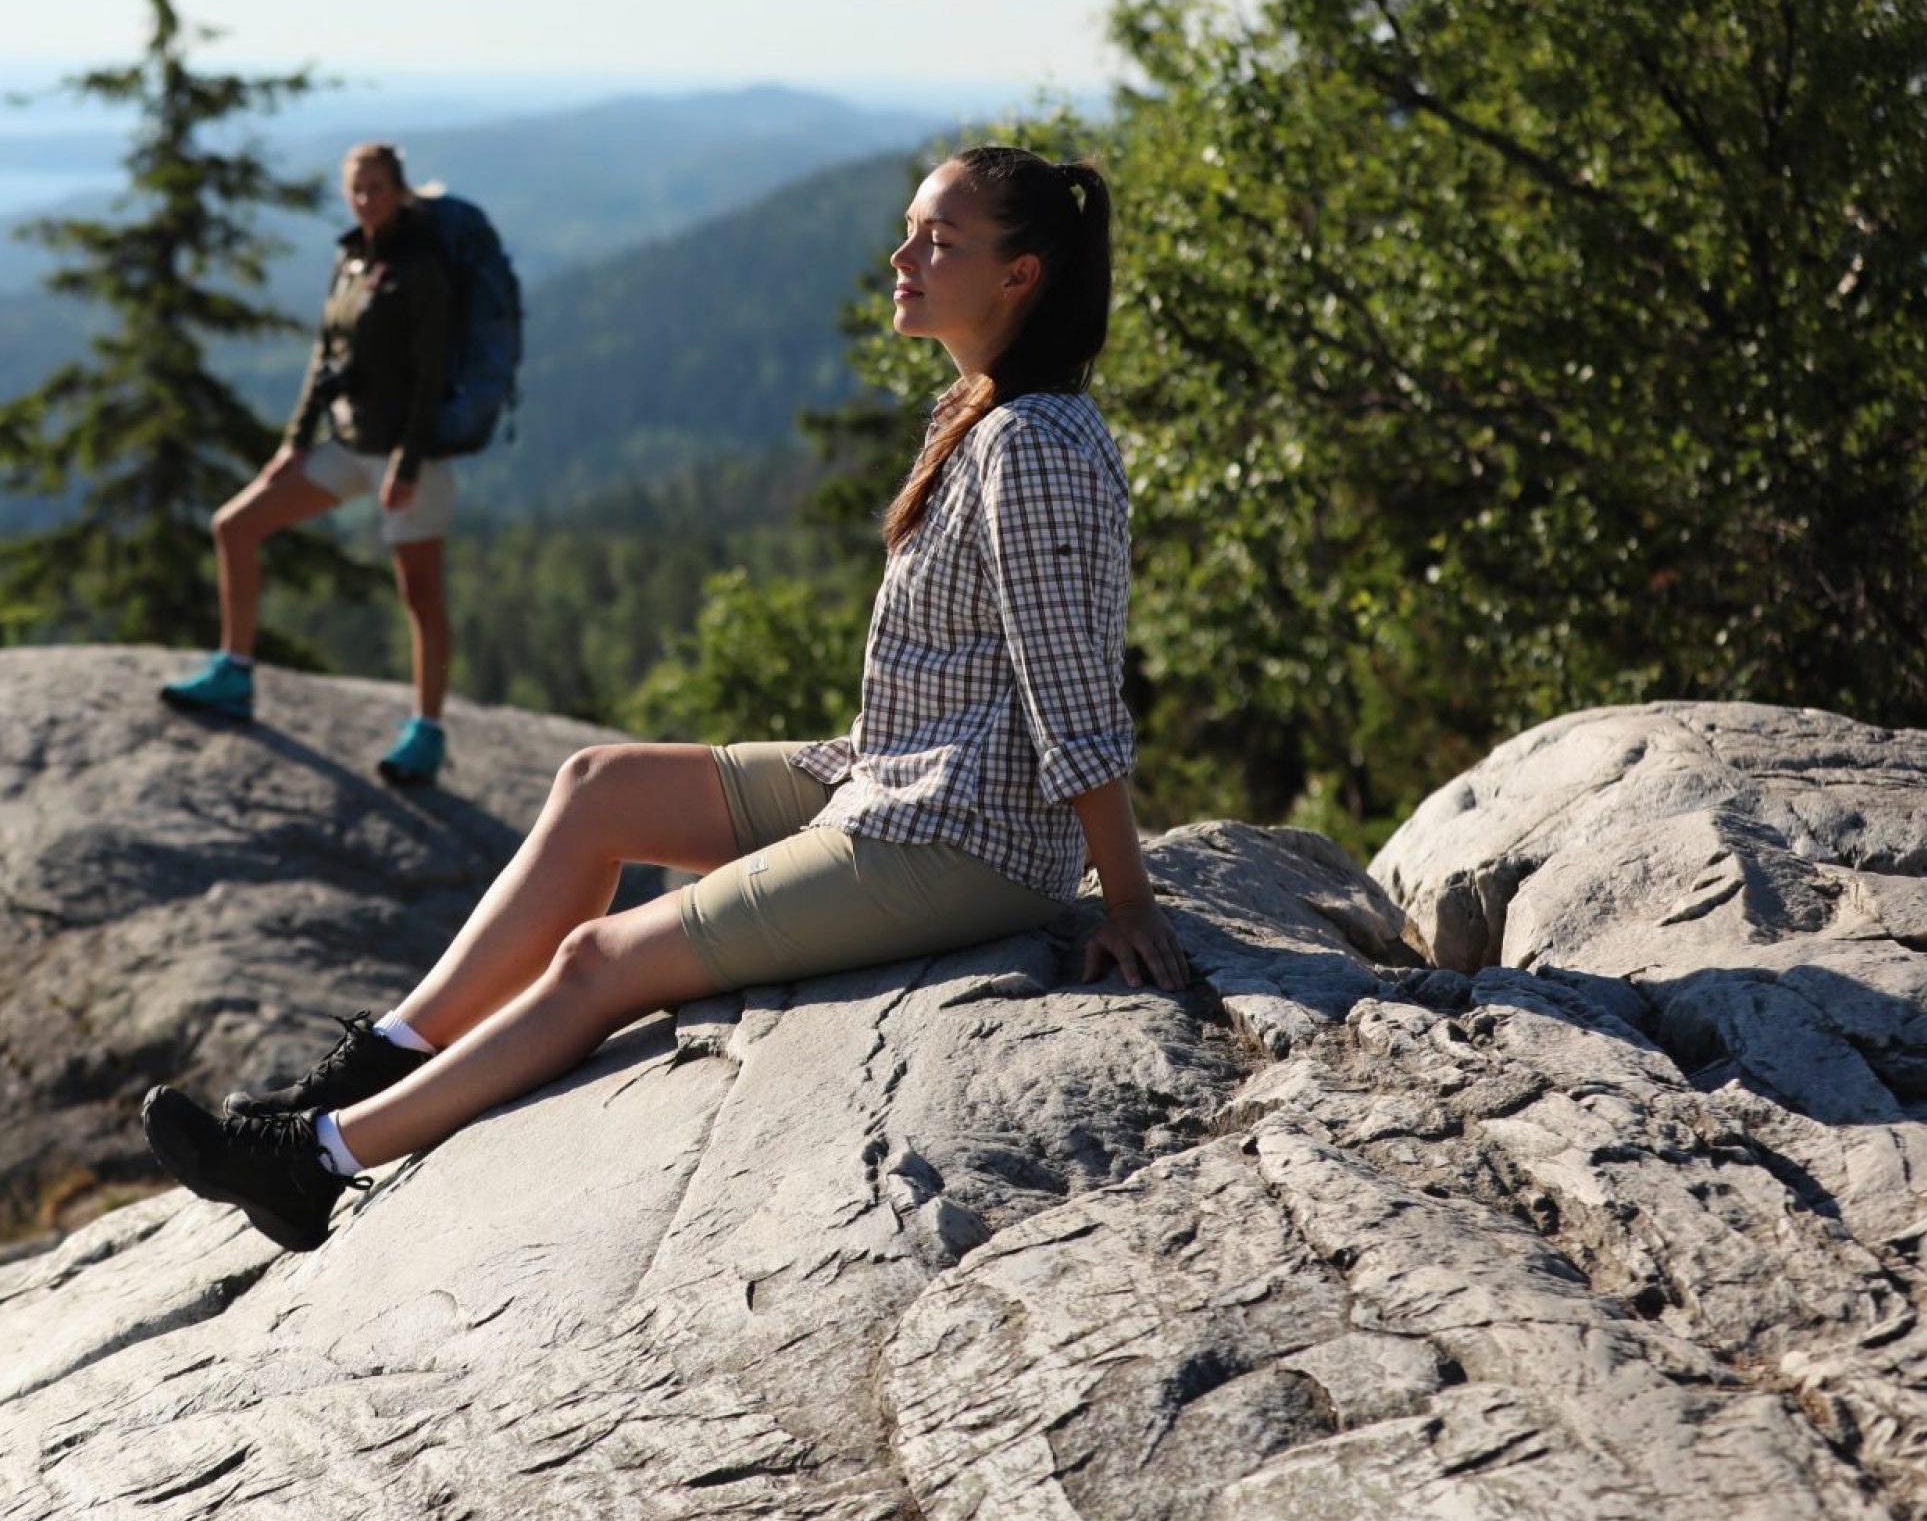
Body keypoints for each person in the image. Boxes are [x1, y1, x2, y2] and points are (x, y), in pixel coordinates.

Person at [142, 144, 1192, 1252]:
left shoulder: (1032, 446)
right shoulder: (975, 410)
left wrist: (1126, 899)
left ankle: (318, 1158)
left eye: (939, 240)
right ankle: (373, 1062)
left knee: (600, 962)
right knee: (599, 785)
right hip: (898, 773)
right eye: (909, 228)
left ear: (1021, 276)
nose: (901, 255)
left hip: (967, 835)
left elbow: (1073, 690)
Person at [160, 140, 459, 787]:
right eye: (356, 188)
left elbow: (432, 376)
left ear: (400, 191)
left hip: (411, 455)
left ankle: (428, 732)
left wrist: (405, 468)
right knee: (234, 527)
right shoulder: (350, 257)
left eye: (376, 187)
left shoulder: (421, 265)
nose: (364, 199)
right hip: (348, 444)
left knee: (421, 594)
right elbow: (322, 358)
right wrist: (293, 442)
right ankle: (233, 672)